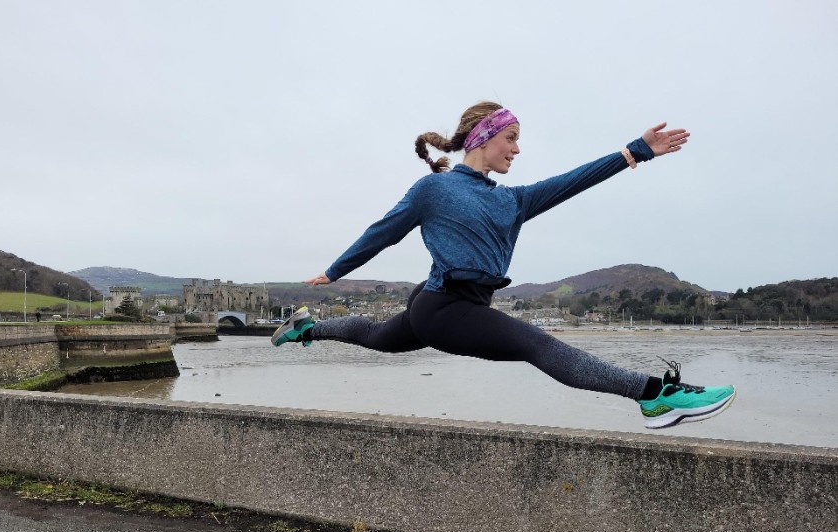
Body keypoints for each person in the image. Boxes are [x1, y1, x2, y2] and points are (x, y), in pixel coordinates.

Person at [272, 101, 735, 429]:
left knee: (377, 337)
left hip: (449, 302)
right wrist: (336, 270)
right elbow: (385, 230)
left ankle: (307, 329)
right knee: (539, 346)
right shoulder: (434, 189)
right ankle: (655, 395)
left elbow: (572, 181)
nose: (516, 149)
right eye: (511, 138)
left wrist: (636, 150)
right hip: (444, 306)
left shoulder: (513, 200)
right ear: (482, 137)